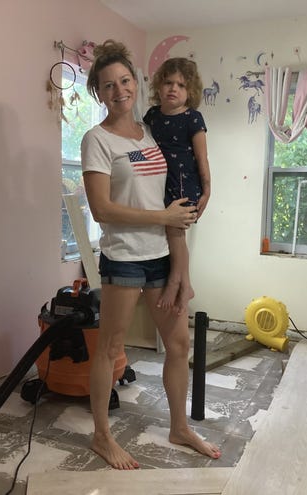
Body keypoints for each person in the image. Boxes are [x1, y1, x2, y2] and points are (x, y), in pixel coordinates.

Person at [81, 40, 221, 470]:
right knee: (110, 348)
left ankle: (179, 426)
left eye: (125, 80)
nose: (119, 90)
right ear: (99, 93)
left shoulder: (149, 129)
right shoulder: (96, 139)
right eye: (108, 85)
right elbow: (102, 209)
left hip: (161, 254)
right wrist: (161, 216)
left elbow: (184, 169)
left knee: (178, 344)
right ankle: (102, 437)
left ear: (136, 84)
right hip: (124, 257)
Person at [143, 58, 211, 315]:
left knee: (175, 234)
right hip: (158, 183)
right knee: (168, 232)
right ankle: (186, 285)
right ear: (159, 87)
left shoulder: (192, 118)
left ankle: (177, 281)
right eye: (168, 83)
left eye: (181, 85)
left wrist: (207, 190)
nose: (174, 89)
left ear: (190, 92)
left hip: (184, 183)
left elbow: (202, 158)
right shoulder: (152, 116)